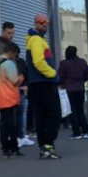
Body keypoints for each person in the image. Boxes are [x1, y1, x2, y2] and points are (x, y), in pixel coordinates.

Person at [26, 13, 62, 159]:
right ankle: (48, 143)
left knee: (42, 116)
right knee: (54, 114)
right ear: (36, 23)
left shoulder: (37, 39)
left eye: (46, 22)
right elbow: (39, 62)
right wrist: (53, 74)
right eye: (41, 22)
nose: (44, 25)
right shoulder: (36, 40)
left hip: (38, 84)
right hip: (44, 83)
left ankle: (45, 147)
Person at [0, 42, 23, 158]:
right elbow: (14, 81)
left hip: (0, 98)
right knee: (12, 125)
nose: (15, 57)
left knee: (3, 125)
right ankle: (14, 148)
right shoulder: (9, 64)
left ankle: (5, 149)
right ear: (11, 52)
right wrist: (21, 78)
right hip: (10, 97)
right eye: (16, 55)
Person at [58, 45, 88, 139]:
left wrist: (62, 83)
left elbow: (60, 76)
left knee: (72, 111)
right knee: (80, 110)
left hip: (68, 89)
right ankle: (86, 131)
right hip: (80, 88)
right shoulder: (82, 62)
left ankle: (76, 132)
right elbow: (87, 74)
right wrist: (82, 81)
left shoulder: (64, 63)